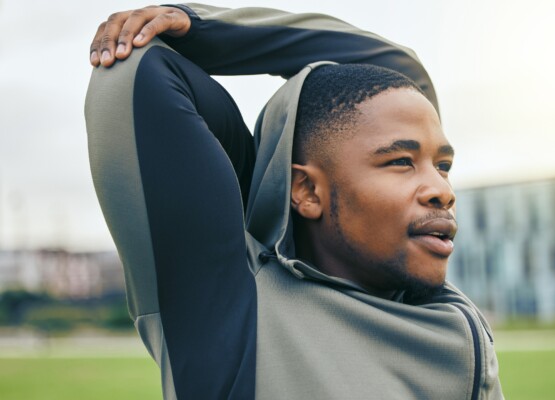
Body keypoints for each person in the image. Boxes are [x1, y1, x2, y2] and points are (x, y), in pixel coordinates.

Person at [85, 4, 503, 399]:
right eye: (399, 161)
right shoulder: (232, 311)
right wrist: (202, 31)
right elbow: (133, 67)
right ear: (306, 191)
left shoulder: (435, 313)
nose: (442, 190)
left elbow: (398, 72)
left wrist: (209, 25)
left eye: (443, 164)